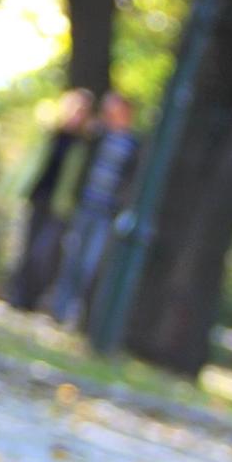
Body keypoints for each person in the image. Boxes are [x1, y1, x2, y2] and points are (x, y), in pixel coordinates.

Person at [46, 91, 140, 327]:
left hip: (107, 211)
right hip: (85, 204)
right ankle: (59, 309)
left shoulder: (134, 145)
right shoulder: (97, 136)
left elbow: (132, 180)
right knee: (72, 256)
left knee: (90, 262)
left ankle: (75, 314)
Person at [6, 89, 95, 310]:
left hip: (60, 203)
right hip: (37, 195)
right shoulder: (49, 133)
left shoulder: (84, 144)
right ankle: (15, 298)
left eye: (82, 111)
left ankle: (31, 299)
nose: (77, 114)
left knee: (44, 252)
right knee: (24, 247)